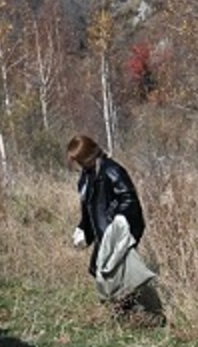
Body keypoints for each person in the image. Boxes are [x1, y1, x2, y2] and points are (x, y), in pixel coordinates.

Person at [67, 134, 161, 319]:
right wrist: (83, 229)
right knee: (98, 269)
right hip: (102, 231)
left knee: (116, 272)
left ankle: (140, 313)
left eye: (78, 159)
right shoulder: (87, 175)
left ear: (87, 156)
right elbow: (88, 207)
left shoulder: (112, 170)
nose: (76, 164)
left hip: (119, 231)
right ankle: (130, 311)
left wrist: (117, 219)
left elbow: (129, 198)